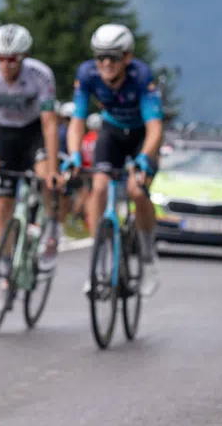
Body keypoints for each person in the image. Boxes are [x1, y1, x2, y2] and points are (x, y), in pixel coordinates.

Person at [63, 23, 163, 297]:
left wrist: (144, 157)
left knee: (137, 191)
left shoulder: (141, 76)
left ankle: (147, 255)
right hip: (112, 132)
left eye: (113, 57)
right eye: (100, 57)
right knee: (98, 186)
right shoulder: (87, 74)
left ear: (127, 57)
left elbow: (155, 127)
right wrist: (73, 154)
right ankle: (100, 260)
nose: (106, 63)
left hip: (142, 134)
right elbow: (77, 120)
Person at [0, 24, 61, 278]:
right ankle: (6, 259)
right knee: (3, 204)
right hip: (3, 132)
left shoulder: (40, 75)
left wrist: (53, 167)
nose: (6, 64)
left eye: (12, 59)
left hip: (33, 132)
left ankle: (51, 229)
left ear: (24, 56)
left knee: (46, 177)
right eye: (1, 57)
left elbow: (50, 123)